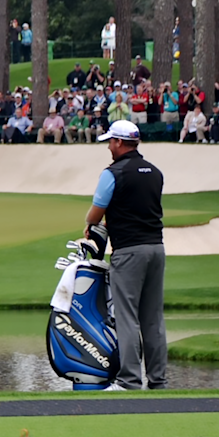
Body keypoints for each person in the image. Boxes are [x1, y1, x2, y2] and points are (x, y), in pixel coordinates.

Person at [85, 119, 166, 390]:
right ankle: (157, 380)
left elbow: (95, 214)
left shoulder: (113, 173)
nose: (108, 146)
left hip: (128, 252)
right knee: (152, 318)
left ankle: (130, 380)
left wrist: (89, 224)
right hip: (156, 248)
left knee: (126, 316)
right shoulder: (155, 172)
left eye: (110, 141)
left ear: (120, 142)